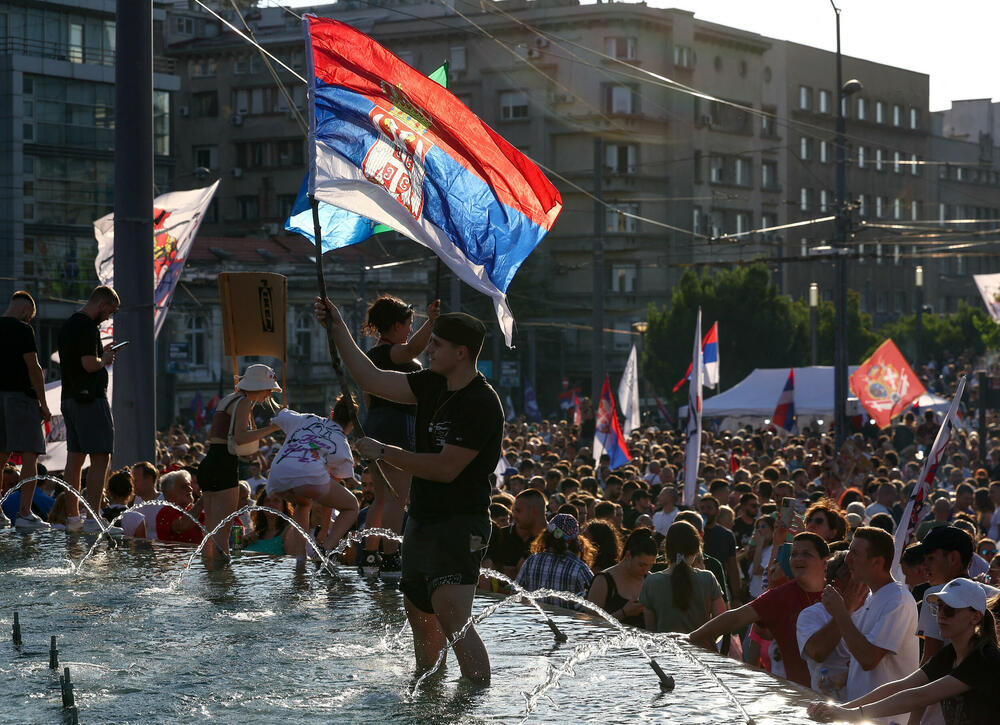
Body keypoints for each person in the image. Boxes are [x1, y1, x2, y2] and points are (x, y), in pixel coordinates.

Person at [317, 298, 502, 685]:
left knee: (453, 617)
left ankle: (477, 701)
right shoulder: (432, 383)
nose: (427, 349)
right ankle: (428, 693)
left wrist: (386, 452)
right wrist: (337, 328)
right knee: (419, 611)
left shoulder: (481, 402)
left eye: (436, 344)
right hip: (422, 517)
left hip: (460, 521)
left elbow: (445, 468)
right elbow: (370, 377)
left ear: (461, 352)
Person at [808, 579, 1000, 725]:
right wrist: (842, 708)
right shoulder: (950, 653)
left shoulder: (985, 659)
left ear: (975, 617)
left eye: (950, 610)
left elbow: (919, 696)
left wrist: (851, 714)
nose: (941, 615)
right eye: (939, 607)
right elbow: (901, 686)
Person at [357, 295, 440, 578]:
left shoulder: (372, 357)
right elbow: (414, 348)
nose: (410, 330)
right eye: (409, 324)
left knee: (380, 499)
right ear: (395, 326)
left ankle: (370, 557)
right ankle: (390, 558)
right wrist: (431, 322)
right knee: (396, 498)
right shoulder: (388, 353)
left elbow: (368, 398)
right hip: (398, 426)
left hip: (378, 423)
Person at [689, 532, 830, 688]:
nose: (798, 558)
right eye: (794, 554)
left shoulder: (840, 592)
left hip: (844, 696)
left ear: (825, 562)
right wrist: (691, 637)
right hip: (802, 694)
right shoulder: (780, 595)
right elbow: (736, 618)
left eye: (806, 554)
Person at [819, 526, 919, 711]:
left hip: (886, 719)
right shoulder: (874, 597)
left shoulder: (898, 600)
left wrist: (841, 611)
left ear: (877, 563)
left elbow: (868, 659)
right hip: (861, 716)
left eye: (855, 554)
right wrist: (844, 677)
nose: (848, 560)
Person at [198, 364, 282, 557]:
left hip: (210, 462)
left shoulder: (228, 399)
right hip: (224, 465)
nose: (269, 394)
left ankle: (208, 576)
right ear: (259, 386)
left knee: (210, 533)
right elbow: (241, 437)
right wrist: (273, 428)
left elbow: (221, 436)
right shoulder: (243, 402)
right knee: (222, 534)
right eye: (269, 389)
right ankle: (222, 583)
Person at [265, 393, 361, 560]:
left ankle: (300, 558)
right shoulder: (342, 445)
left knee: (303, 503)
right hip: (309, 477)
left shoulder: (307, 419)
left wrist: (282, 409)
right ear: (352, 424)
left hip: (276, 474)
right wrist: (324, 530)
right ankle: (325, 551)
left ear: (331, 414)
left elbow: (280, 413)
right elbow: (329, 500)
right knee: (352, 505)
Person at [57, 285, 120, 533]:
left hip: (70, 399)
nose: (108, 317)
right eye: (110, 311)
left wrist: (99, 354)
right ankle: (94, 518)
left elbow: (78, 359)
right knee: (101, 456)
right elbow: (88, 364)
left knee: (74, 461)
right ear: (102, 304)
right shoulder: (87, 326)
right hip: (89, 400)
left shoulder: (70, 324)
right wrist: (103, 360)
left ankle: (73, 518)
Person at [0, 291, 52, 530]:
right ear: (24, 311)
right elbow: (34, 367)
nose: (29, 321)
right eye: (29, 316)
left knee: (1, 457)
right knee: (31, 454)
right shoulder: (22, 330)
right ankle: (24, 513)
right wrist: (43, 403)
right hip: (21, 399)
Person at [641, 520, 725, 633]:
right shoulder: (708, 578)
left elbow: (650, 630)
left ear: (666, 548)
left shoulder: (651, 581)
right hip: (702, 648)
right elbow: (721, 623)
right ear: (696, 549)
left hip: (665, 649)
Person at [797, 551, 857, 699]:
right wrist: (846, 610)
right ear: (837, 582)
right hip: (827, 707)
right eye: (853, 575)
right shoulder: (811, 614)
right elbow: (817, 652)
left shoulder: (874, 609)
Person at [516, 513, 595, 609]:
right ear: (576, 540)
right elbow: (595, 602)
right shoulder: (579, 568)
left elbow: (516, 594)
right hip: (565, 623)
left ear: (546, 535)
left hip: (535, 622)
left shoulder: (532, 560)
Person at [587, 528, 656, 628]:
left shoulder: (650, 580)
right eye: (642, 565)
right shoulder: (603, 581)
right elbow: (590, 625)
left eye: (650, 565)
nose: (646, 570)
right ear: (628, 555)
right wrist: (624, 613)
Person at [484, 488, 547, 580]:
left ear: (534, 511)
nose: (514, 515)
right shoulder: (501, 534)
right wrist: (500, 570)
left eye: (518, 511)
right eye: (513, 511)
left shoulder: (553, 540)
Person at [155, 470, 205, 544]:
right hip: (176, 555)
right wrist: (204, 498)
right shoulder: (166, 512)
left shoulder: (190, 510)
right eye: (184, 487)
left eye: (190, 485)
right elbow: (183, 526)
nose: (190, 489)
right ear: (170, 493)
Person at [243, 489, 294, 556]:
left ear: (284, 506)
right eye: (267, 500)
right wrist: (243, 543)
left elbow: (293, 561)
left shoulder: (289, 531)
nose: (271, 504)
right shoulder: (256, 533)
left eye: (276, 501)